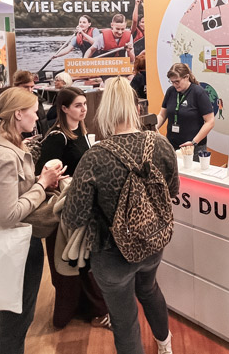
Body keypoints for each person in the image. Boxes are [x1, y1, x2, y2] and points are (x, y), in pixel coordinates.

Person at [63, 76, 179, 354]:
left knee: (125, 320)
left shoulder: (95, 157)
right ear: (135, 107)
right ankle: (165, 346)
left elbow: (74, 216)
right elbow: (172, 190)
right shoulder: (160, 144)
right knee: (150, 290)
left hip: (111, 253)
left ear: (105, 110)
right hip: (153, 243)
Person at [0, 87, 66, 354]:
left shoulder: (0, 143)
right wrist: (42, 184)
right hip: (17, 244)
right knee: (17, 318)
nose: (37, 117)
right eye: (33, 111)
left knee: (6, 314)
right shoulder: (4, 154)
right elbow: (7, 216)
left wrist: (38, 182)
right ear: (17, 115)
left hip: (12, 244)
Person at [35, 87, 111, 330]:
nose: (84, 109)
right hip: (65, 212)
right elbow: (43, 173)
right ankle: (93, 310)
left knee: (83, 260)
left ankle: (89, 308)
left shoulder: (81, 132)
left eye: (85, 104)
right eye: (78, 105)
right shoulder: (58, 137)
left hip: (82, 207)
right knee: (73, 263)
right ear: (64, 108)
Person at [156, 63, 215, 160]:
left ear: (186, 77)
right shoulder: (171, 91)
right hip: (172, 145)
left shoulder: (198, 92)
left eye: (177, 82)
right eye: (172, 82)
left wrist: (193, 142)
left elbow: (210, 121)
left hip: (193, 148)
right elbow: (162, 115)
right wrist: (154, 127)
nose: (175, 85)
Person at [13, 70, 47, 136]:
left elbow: (43, 122)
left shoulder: (37, 100)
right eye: (25, 87)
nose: (30, 90)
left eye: (32, 87)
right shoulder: (12, 103)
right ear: (16, 86)